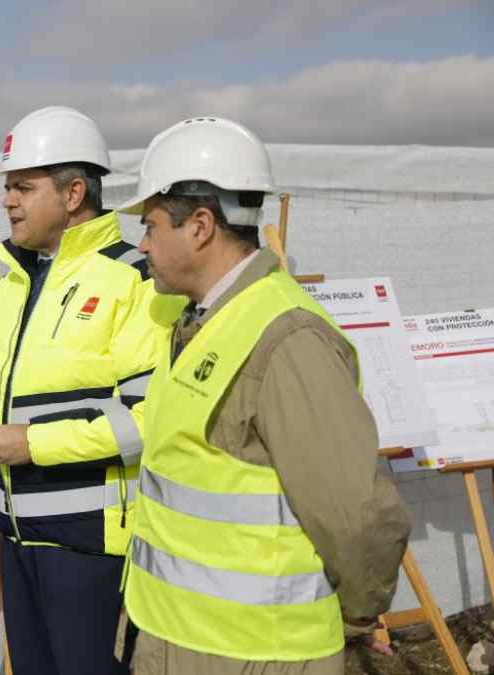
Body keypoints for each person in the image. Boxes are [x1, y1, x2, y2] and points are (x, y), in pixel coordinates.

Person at [118, 116, 411, 675]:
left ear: (200, 226)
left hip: (258, 655)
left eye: (151, 226)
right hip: (179, 638)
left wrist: (352, 618)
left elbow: (355, 515)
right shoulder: (200, 321)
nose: (143, 244)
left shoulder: (287, 338)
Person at [0, 106, 169, 674]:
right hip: (16, 532)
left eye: (23, 186)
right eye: (7, 187)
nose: (8, 201)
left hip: (90, 545)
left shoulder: (134, 279)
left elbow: (150, 420)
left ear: (73, 194)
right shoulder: (16, 280)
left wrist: (35, 445)